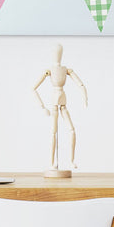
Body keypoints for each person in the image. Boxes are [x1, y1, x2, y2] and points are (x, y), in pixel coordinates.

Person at [32, 44, 87, 176]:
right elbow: (34, 88)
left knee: (72, 130)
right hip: (54, 103)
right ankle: (52, 163)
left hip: (63, 102)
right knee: (53, 132)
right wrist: (42, 107)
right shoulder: (49, 71)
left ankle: (71, 160)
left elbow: (81, 84)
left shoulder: (66, 70)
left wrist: (85, 97)